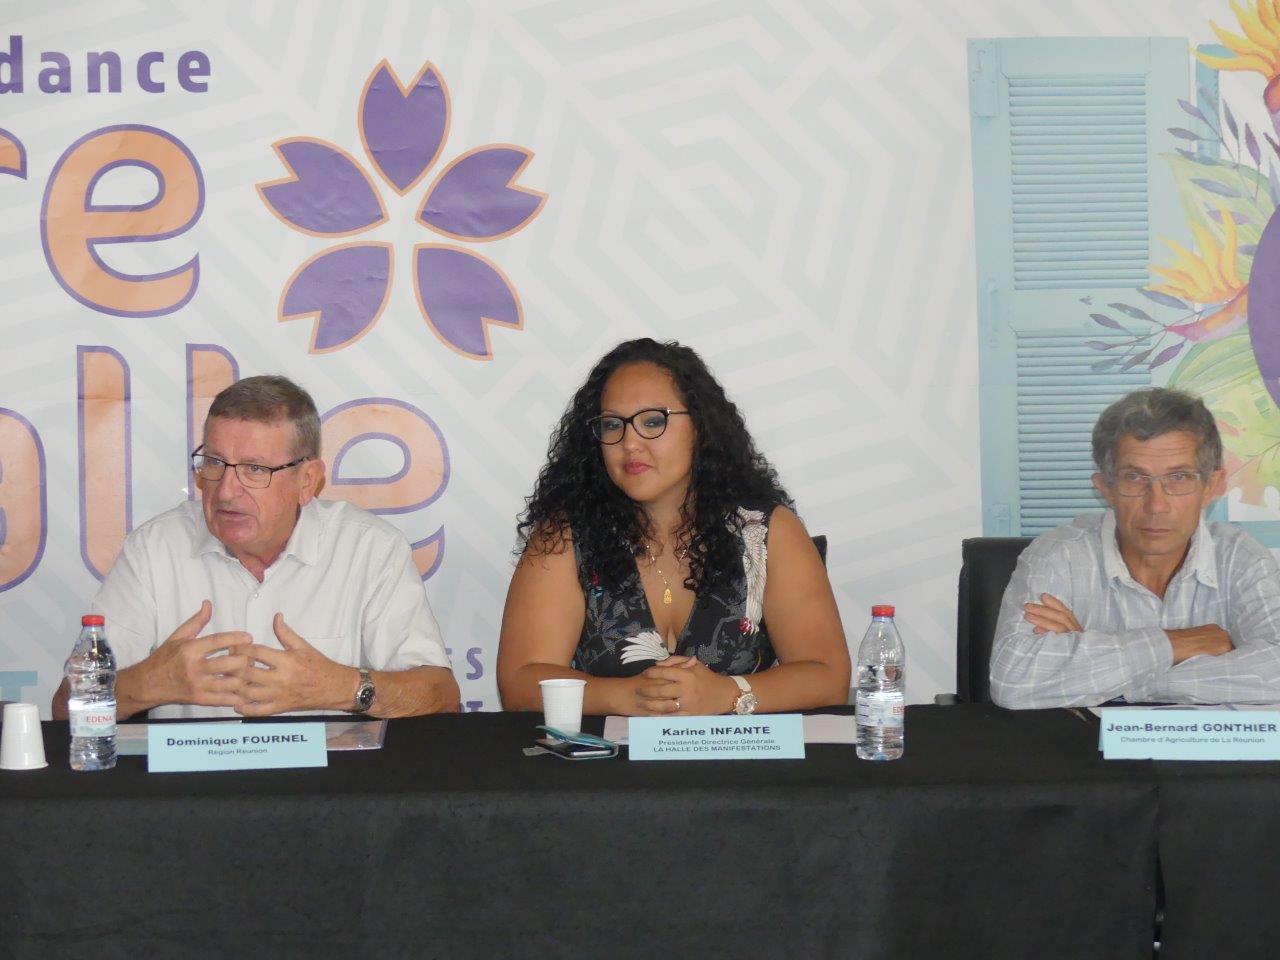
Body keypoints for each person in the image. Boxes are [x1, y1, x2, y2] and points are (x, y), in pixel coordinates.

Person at [51, 375, 459, 720]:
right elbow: (65, 707)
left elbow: (441, 696)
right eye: (213, 462)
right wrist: (151, 684)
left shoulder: (369, 549)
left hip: (328, 794)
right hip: (187, 799)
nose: (226, 490)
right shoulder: (155, 549)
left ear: (307, 480)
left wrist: (343, 687)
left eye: (254, 469)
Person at [497, 338, 850, 717]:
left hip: (738, 770)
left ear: (700, 427)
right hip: (606, 771)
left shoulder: (765, 532)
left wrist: (728, 695)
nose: (630, 442)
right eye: (612, 425)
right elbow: (520, 681)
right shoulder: (566, 535)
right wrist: (625, 697)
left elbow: (828, 677)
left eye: (653, 421)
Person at [990, 387, 1280, 709]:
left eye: (1179, 477)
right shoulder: (1059, 555)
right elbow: (1013, 680)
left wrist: (1106, 674)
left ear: (1211, 486)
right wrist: (1174, 644)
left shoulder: (1240, 558)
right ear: (1105, 488)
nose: (1156, 505)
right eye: (1134, 478)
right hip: (1083, 756)